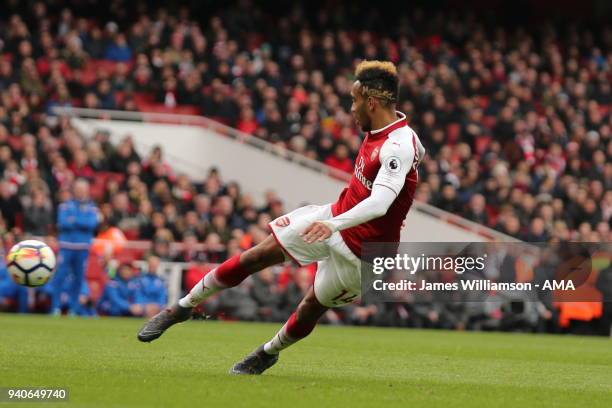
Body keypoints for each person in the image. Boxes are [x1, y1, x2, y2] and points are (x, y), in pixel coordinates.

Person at [137, 60, 426, 375]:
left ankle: (267, 353)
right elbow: (412, 163)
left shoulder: (397, 146)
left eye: (355, 100)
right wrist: (343, 219)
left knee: (311, 307)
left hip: (361, 254)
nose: (351, 108)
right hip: (334, 218)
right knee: (258, 254)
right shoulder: (394, 136)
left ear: (371, 102)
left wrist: (348, 221)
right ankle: (181, 308)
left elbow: (381, 203)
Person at [50, 179, 99, 315]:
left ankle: (74, 308)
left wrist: (74, 220)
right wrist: (81, 220)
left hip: (82, 247)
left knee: (78, 279)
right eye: (78, 189)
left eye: (83, 189)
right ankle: (55, 307)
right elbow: (62, 223)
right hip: (66, 246)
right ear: (74, 190)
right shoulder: (65, 206)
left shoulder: (92, 207)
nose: (81, 192)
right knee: (59, 277)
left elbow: (92, 224)